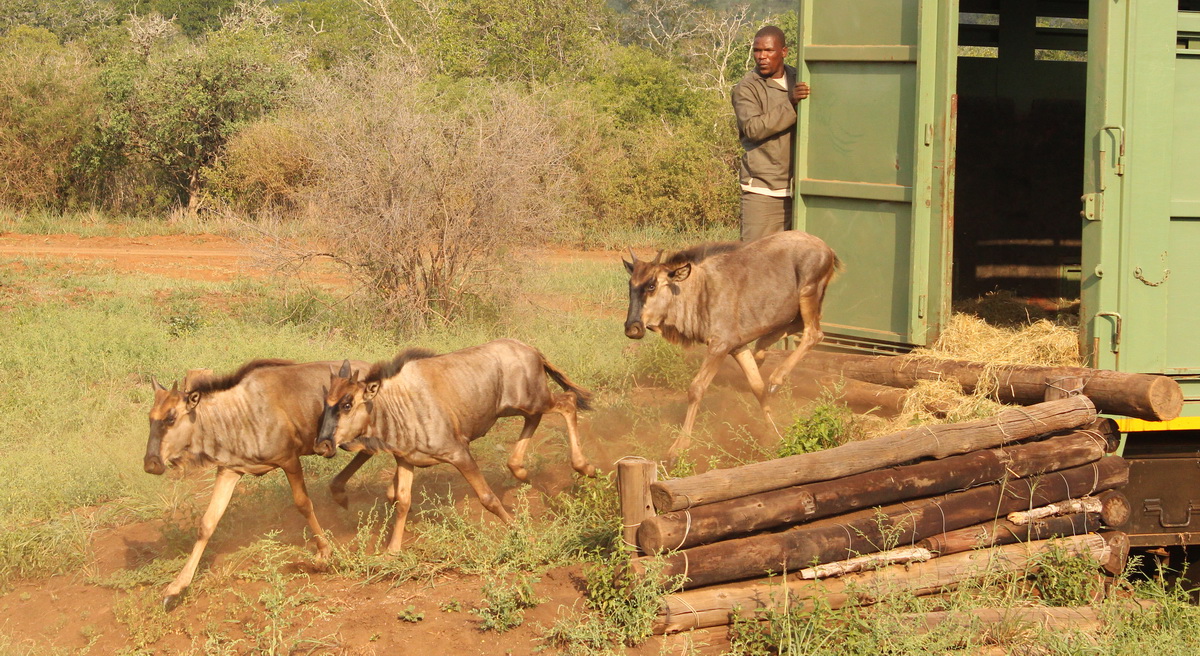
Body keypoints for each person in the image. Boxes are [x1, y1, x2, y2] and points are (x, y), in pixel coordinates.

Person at [732, 25, 810, 242]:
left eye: (768, 51)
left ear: (784, 52)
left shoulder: (799, 77)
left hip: (801, 192)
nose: (761, 57)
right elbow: (753, 128)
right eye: (757, 51)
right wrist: (791, 103)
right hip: (764, 191)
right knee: (752, 262)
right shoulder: (747, 88)